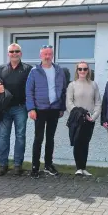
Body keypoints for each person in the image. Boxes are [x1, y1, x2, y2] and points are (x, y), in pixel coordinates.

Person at [26, 45, 67, 179]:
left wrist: (61, 108)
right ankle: (35, 167)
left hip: (54, 109)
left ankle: (48, 165)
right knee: (38, 138)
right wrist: (31, 108)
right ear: (40, 56)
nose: (47, 56)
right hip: (40, 110)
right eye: (45, 54)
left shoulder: (59, 70)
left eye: (49, 54)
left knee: (50, 138)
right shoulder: (34, 71)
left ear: (52, 55)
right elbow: (29, 91)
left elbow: (63, 90)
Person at [0, 43, 32, 176]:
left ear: (20, 53)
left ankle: (17, 165)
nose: (14, 53)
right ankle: (3, 165)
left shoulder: (28, 69)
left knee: (20, 137)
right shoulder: (0, 69)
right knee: (4, 137)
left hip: (21, 108)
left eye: (17, 51)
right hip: (4, 109)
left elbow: (32, 88)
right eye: (11, 51)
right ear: (8, 54)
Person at [66, 61, 101, 176]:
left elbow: (98, 103)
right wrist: (79, 113)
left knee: (85, 143)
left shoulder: (93, 85)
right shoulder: (72, 85)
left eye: (85, 69)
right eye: (80, 69)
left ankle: (84, 167)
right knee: (77, 142)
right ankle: (78, 168)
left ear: (88, 70)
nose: (82, 71)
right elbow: (69, 102)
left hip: (89, 119)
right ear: (76, 70)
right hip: (77, 119)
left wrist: (94, 116)